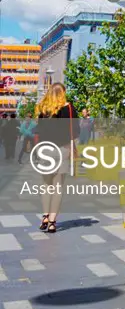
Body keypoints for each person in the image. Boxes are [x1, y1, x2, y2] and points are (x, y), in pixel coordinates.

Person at [35, 83, 77, 233]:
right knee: (58, 186)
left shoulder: (42, 108)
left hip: (45, 149)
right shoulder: (69, 108)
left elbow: (38, 129)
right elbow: (75, 131)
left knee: (46, 185)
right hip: (62, 149)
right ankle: (52, 221)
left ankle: (45, 217)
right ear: (63, 93)